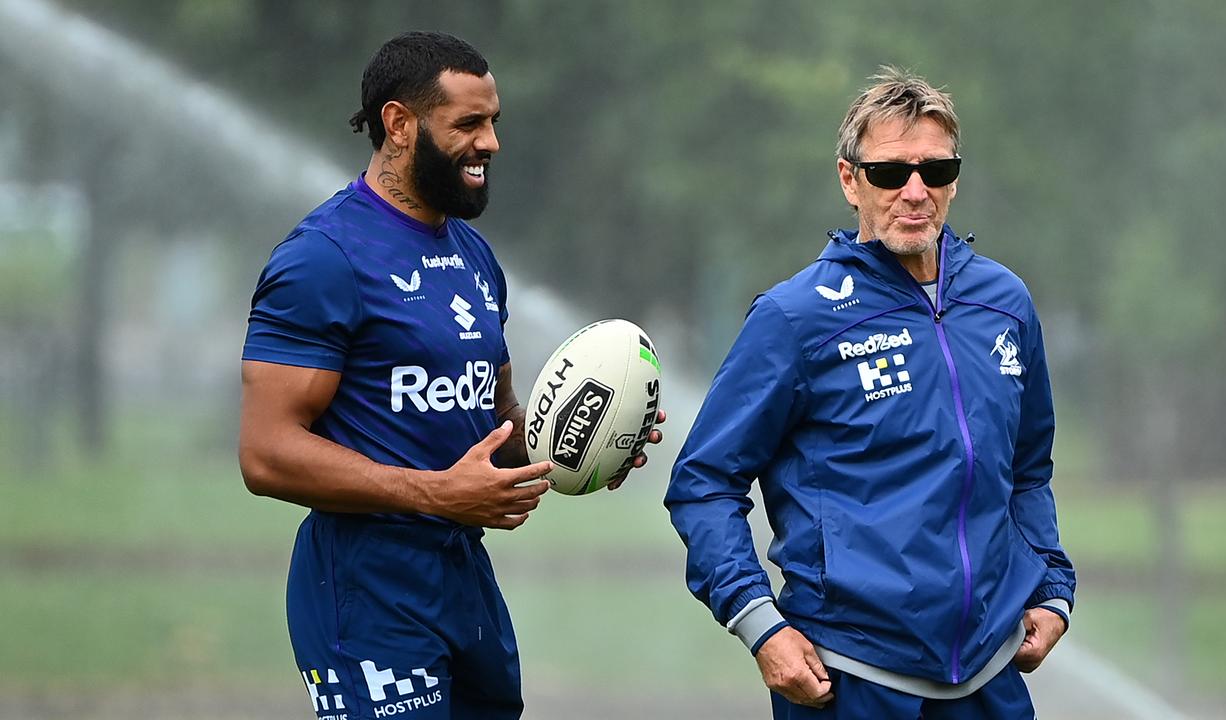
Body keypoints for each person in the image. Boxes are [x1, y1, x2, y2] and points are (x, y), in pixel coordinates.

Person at [238, 31, 662, 720]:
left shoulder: (474, 255)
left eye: (493, 122)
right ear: (399, 124)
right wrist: (435, 494)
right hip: (366, 583)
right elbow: (265, 453)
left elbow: (496, 422)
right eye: (467, 123)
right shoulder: (323, 259)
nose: (490, 142)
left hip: (462, 576)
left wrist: (581, 446)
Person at [665, 67, 1075, 719]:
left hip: (991, 680)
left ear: (955, 178)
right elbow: (703, 484)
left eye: (935, 171)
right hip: (853, 680)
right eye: (889, 173)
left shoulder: (1006, 303)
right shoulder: (793, 317)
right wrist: (758, 623)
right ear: (849, 180)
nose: (915, 192)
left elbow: (1028, 470)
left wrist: (1053, 590)